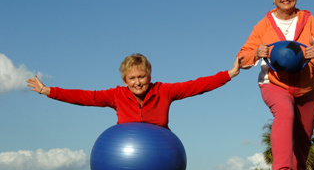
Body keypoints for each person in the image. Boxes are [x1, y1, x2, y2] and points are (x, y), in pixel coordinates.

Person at [237, 0, 314, 170]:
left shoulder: (310, 20)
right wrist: (256, 52)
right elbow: (242, 57)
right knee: (284, 113)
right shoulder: (263, 25)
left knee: (305, 131)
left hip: (308, 85)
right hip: (274, 83)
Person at [27, 53, 243, 130]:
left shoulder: (164, 91)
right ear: (125, 80)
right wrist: (48, 90)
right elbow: (85, 97)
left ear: (149, 76)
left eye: (142, 77)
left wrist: (229, 73)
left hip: (159, 148)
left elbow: (195, 86)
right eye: (132, 78)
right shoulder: (116, 95)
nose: (138, 82)